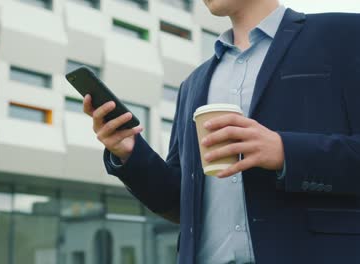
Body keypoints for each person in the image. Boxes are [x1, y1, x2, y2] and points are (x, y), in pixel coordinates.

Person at [82, 0, 360, 263]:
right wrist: (130, 153)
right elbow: (179, 204)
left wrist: (285, 151)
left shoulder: (345, 35)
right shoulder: (193, 84)